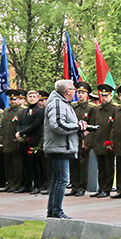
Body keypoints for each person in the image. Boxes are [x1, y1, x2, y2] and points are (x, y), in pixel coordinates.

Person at [43, 80, 88, 219]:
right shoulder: (58, 104)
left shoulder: (63, 104)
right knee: (62, 179)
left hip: (62, 146)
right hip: (60, 147)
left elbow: (65, 124)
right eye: (73, 89)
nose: (75, 91)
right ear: (67, 91)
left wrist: (80, 128)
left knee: (57, 180)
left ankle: (53, 211)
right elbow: (57, 125)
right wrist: (78, 127)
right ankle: (56, 211)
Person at [90, 84, 118, 197]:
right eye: (102, 95)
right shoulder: (96, 109)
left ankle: (107, 189)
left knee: (109, 167)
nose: (104, 98)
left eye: (106, 96)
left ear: (110, 96)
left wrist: (111, 142)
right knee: (100, 167)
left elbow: (115, 127)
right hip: (98, 141)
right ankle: (101, 188)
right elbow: (92, 126)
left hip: (108, 142)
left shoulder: (115, 109)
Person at [67, 82, 95, 197]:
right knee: (73, 163)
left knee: (83, 164)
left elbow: (93, 124)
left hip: (85, 139)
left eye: (83, 93)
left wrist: (87, 139)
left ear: (87, 94)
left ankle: (82, 187)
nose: (80, 95)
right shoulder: (72, 106)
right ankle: (74, 185)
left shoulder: (91, 108)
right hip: (73, 137)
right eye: (78, 92)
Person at [0, 89, 25, 192]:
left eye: (14, 99)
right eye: (11, 99)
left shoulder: (22, 111)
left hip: (16, 142)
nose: (12, 101)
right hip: (6, 141)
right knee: (8, 164)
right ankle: (9, 183)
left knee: (17, 165)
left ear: (19, 99)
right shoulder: (6, 111)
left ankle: (16, 183)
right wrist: (0, 140)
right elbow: (2, 126)